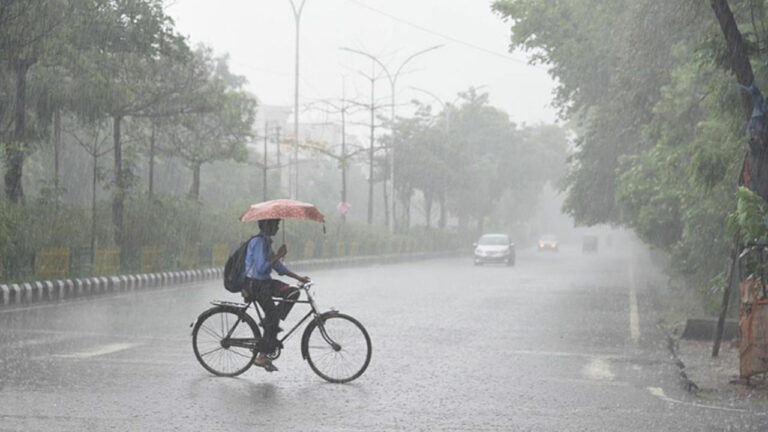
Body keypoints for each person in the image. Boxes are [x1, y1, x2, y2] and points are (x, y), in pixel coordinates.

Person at [243, 218, 309, 372]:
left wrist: (299, 278)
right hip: (256, 285)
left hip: (265, 283)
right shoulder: (258, 242)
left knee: (292, 292)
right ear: (267, 225)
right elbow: (260, 268)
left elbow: (279, 268)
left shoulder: (266, 242)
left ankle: (270, 323)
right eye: (275, 225)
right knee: (273, 318)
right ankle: (262, 356)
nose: (278, 228)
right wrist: (278, 255)